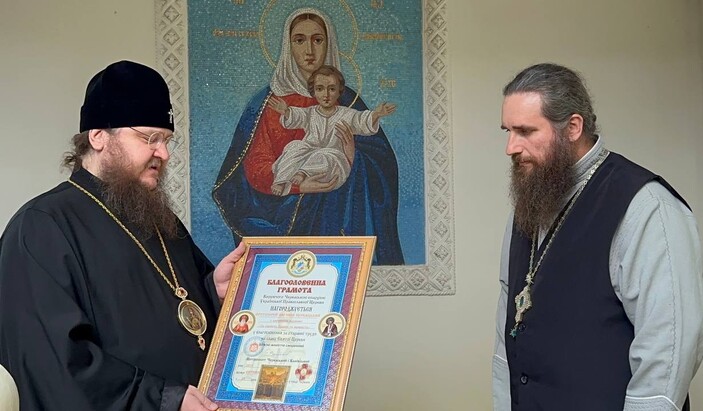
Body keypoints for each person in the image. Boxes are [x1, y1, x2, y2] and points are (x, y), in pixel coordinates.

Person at [0, 60, 247, 411]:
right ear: (99, 135)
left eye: (167, 140)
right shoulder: (42, 226)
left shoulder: (161, 220)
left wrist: (215, 291)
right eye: (151, 138)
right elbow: (52, 365)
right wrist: (166, 399)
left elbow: (180, 315)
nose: (163, 153)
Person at [493, 63, 703, 411]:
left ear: (573, 127)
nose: (510, 147)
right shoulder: (529, 204)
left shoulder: (646, 207)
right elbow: (506, 339)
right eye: (507, 131)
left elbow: (668, 355)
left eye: (525, 131)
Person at [213, 7, 404, 265]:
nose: (309, 51)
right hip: (282, 214)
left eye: (317, 39)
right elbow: (253, 169)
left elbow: (382, 165)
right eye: (299, 40)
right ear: (287, 45)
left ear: (330, 43)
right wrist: (299, 186)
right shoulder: (268, 103)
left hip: (337, 215)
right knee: (295, 150)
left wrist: (352, 158)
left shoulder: (348, 102)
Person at [267, 65, 396, 196]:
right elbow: (297, 116)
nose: (326, 95)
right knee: (294, 146)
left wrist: (376, 114)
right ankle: (281, 180)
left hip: (334, 160)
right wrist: (286, 111)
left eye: (332, 89)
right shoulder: (311, 113)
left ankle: (303, 173)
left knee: (324, 155)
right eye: (320, 89)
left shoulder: (346, 114)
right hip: (310, 153)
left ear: (339, 91)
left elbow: (361, 120)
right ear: (314, 92)